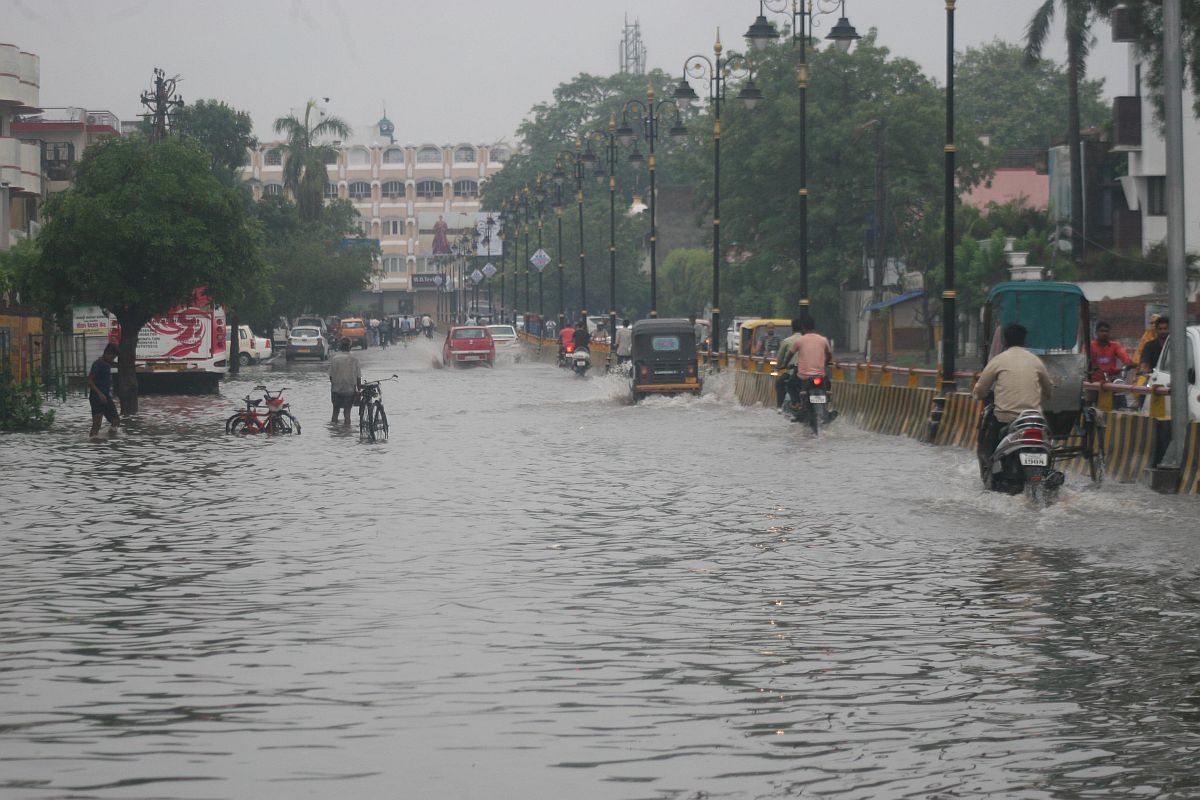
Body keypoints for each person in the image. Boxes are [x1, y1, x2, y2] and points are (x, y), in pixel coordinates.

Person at [972, 323, 1053, 467]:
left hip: (1006, 418)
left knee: (987, 447)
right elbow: (1049, 389)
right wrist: (1045, 395)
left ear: (1005, 341)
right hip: (1033, 418)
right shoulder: (1035, 361)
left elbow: (981, 389)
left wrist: (977, 395)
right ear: (1024, 340)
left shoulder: (998, 360)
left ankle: (990, 469)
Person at [1088, 321, 1131, 408]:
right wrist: (1092, 367)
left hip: (1111, 379)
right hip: (1095, 382)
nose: (1104, 333)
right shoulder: (1090, 346)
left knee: (1121, 397)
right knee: (1090, 401)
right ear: (1096, 333)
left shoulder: (1115, 346)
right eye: (1102, 331)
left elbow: (1123, 355)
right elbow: (1086, 359)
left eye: (1106, 331)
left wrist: (1129, 363)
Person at [87, 342, 121, 438]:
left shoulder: (107, 363)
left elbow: (113, 364)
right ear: (106, 353)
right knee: (97, 424)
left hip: (106, 397)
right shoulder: (97, 364)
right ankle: (93, 443)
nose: (112, 359)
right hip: (96, 397)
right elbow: (89, 380)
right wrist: (99, 393)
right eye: (112, 357)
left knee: (116, 420)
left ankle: (110, 439)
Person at [328, 338, 362, 425]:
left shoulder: (334, 359)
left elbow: (331, 377)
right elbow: (358, 377)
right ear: (350, 347)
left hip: (336, 390)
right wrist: (359, 390)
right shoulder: (355, 359)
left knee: (335, 412)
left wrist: (336, 385)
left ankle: (334, 432)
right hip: (349, 391)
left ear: (340, 347)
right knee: (347, 413)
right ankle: (347, 431)